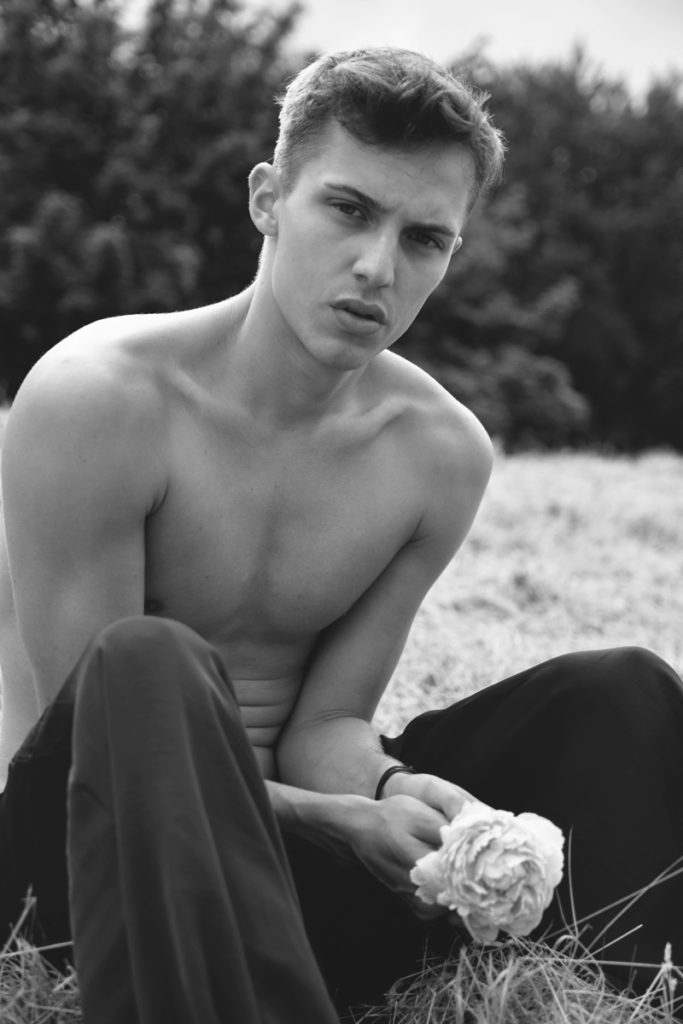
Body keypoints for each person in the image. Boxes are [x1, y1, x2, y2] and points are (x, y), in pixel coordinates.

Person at [0, 46, 681, 1023]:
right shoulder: (100, 399)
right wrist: (341, 821)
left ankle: (617, 1000)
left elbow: (323, 726)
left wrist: (399, 790)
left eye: (424, 238)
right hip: (85, 866)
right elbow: (96, 754)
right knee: (148, 659)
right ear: (267, 198)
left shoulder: (438, 453)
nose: (377, 267)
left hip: (293, 866)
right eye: (349, 210)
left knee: (621, 692)